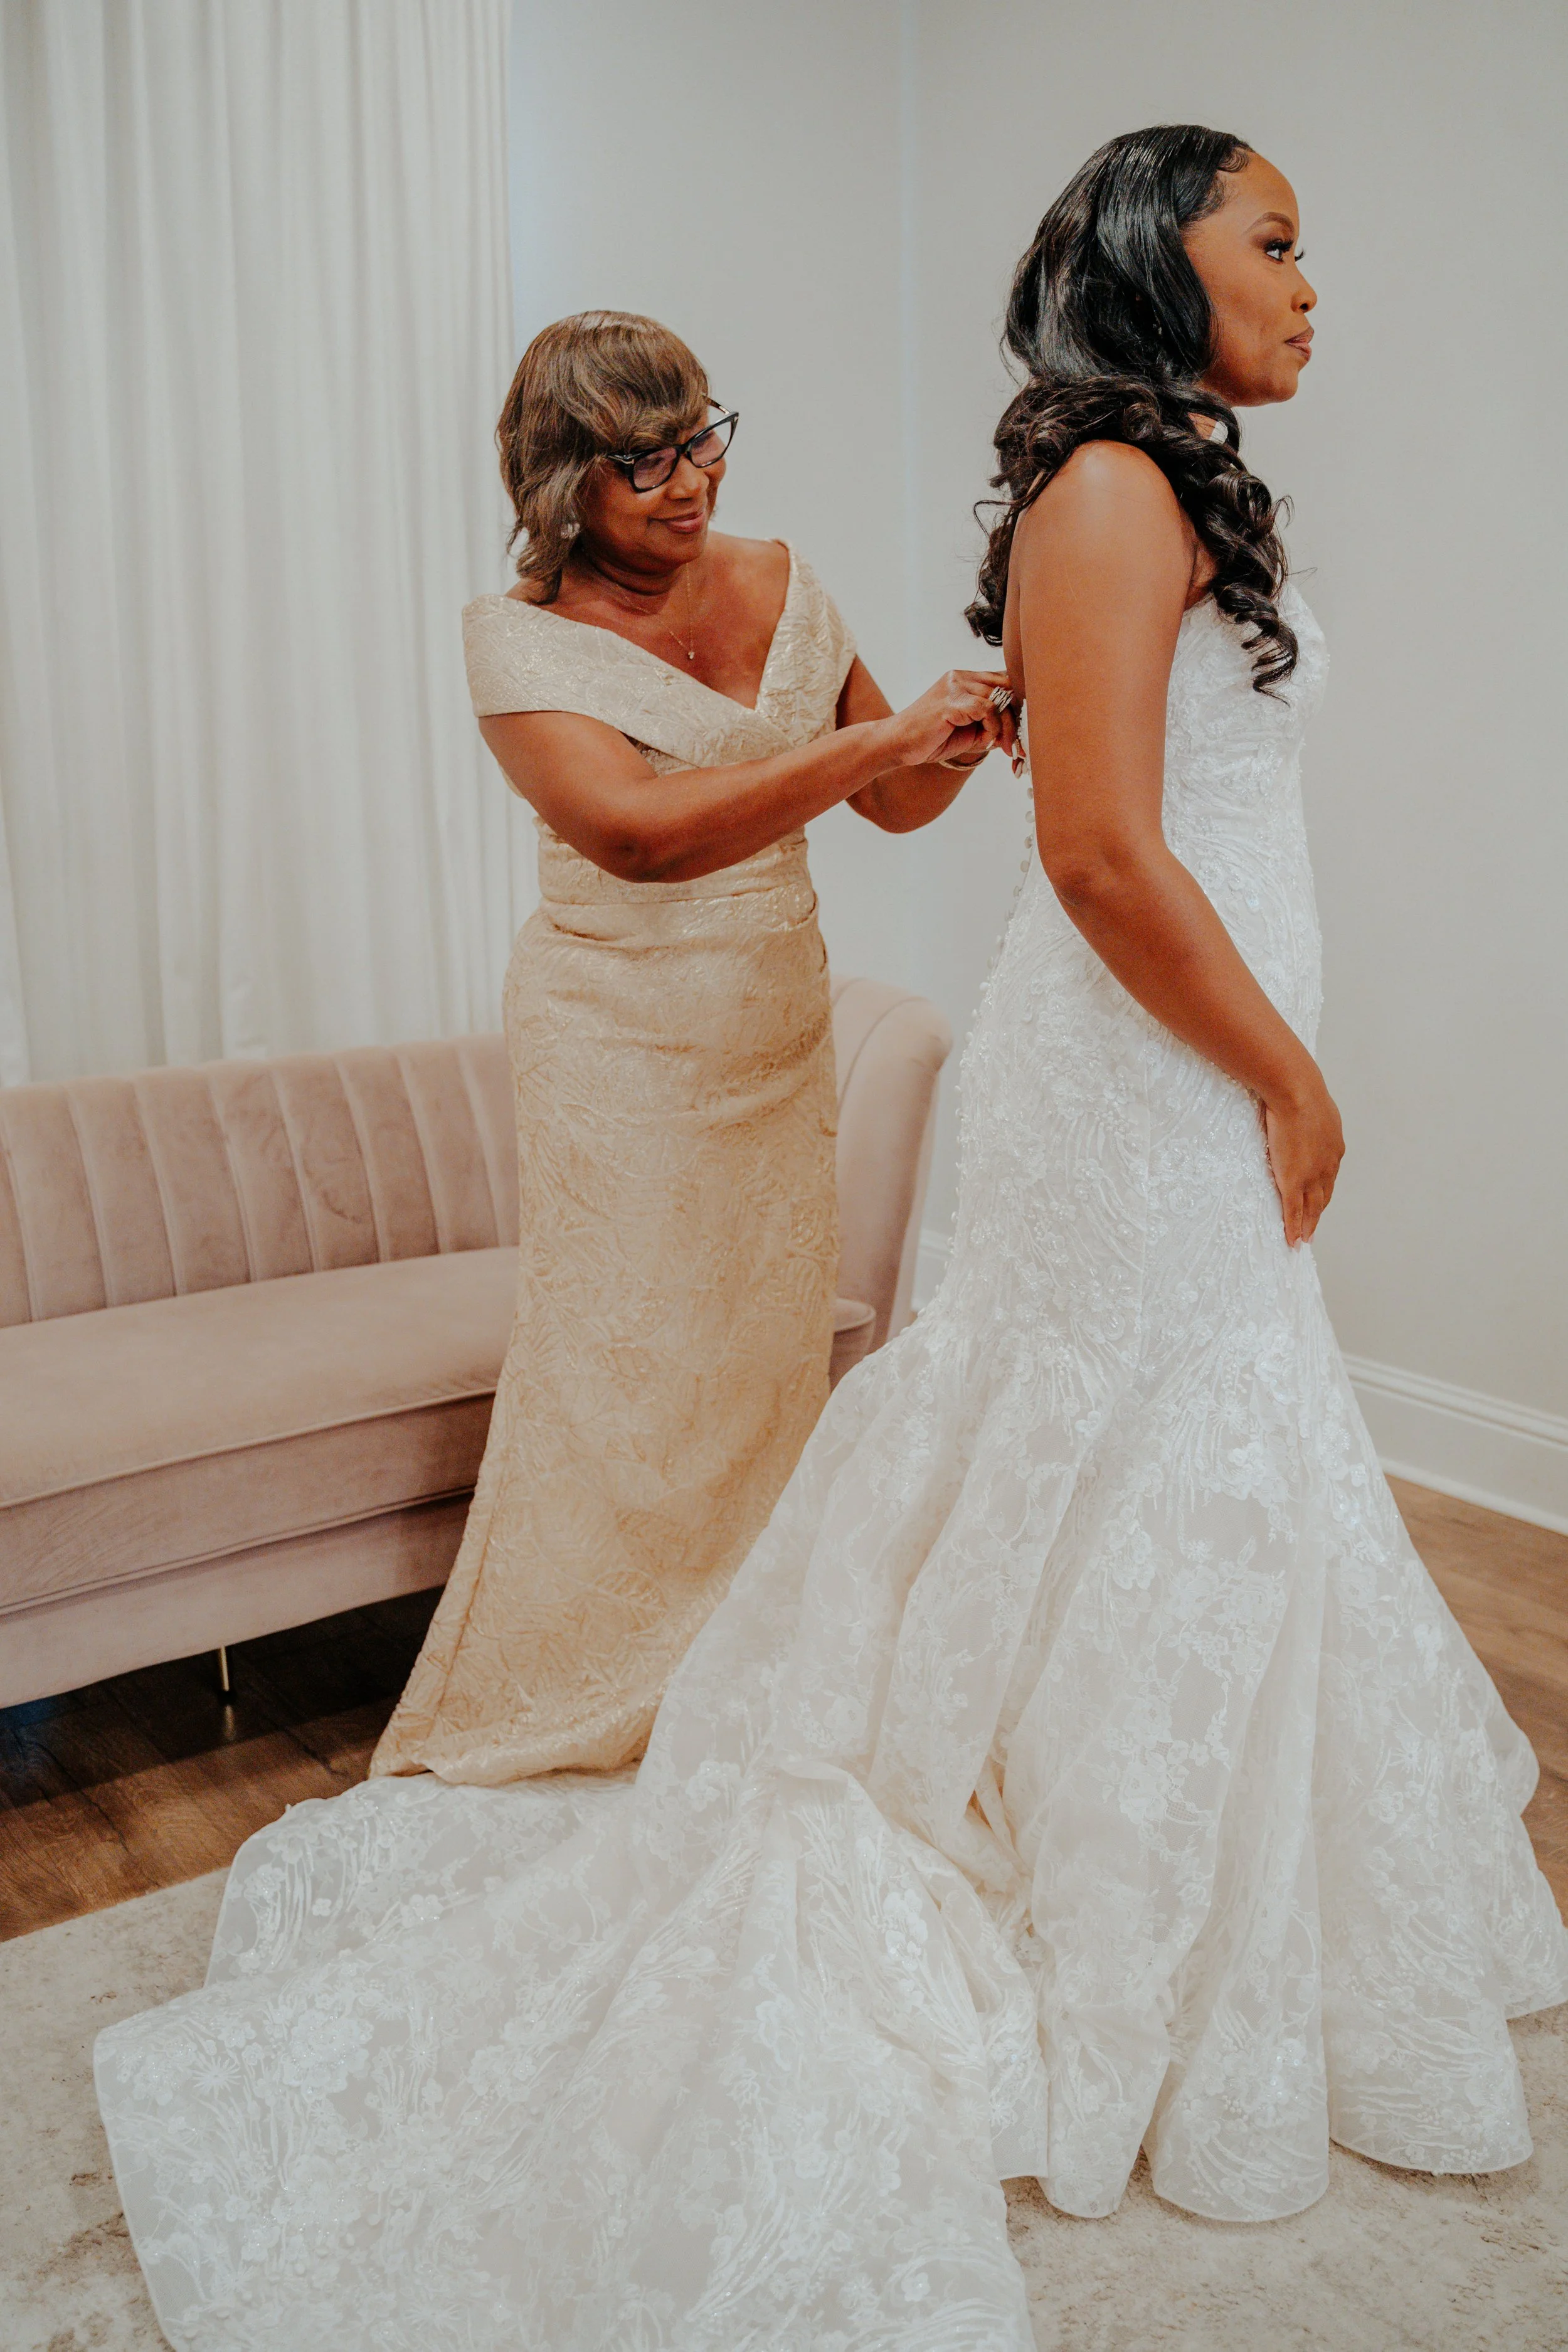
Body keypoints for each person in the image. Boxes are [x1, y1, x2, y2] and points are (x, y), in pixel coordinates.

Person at [96, 132, 1567, 2349]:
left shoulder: (1080, 506)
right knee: (837, 1404)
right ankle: (711, 1740)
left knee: (1142, 1429)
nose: (1310, 279)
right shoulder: (1064, 503)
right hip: (779, 1045)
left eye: (704, 436)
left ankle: (1144, 1850)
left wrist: (922, 746)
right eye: (1273, 239)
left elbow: (970, 793)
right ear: (1155, 269)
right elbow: (908, 841)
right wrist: (1290, 1066)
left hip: (966, 1048)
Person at [370, 310, 1010, 1783]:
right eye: (642, 459)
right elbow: (638, 838)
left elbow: (895, 807)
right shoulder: (514, 640)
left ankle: (740, 1658)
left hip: (771, 1032)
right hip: (616, 1046)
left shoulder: (786, 585)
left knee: (758, 1362)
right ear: (557, 479)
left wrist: (955, 744)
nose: (688, 479)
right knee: (625, 1375)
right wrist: (879, 741)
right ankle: (585, 1686)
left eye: (703, 437)